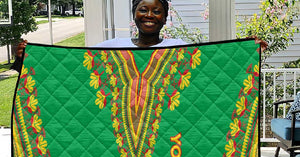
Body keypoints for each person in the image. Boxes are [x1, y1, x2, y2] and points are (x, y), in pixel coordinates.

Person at [12, 0, 267, 71]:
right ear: (134, 14)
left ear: (165, 18)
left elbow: (214, 68)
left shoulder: (179, 48)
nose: (149, 15)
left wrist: (248, 53)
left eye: (157, 11)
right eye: (143, 9)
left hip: (169, 132)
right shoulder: (111, 46)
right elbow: (71, 68)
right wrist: (29, 57)